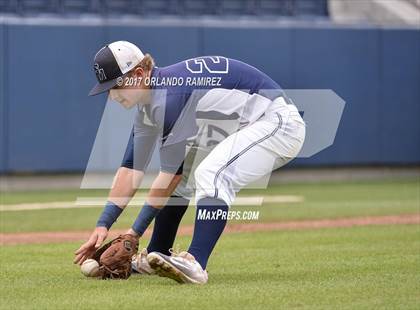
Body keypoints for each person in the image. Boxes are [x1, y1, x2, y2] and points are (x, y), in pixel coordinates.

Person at [74, 41, 305, 284]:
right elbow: (130, 170)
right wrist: (102, 225)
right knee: (186, 179)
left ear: (139, 74)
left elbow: (168, 178)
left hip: (278, 123)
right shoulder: (151, 104)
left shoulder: (169, 98)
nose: (112, 96)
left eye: (116, 85)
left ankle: (196, 263)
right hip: (253, 124)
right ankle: (156, 252)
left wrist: (133, 234)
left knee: (211, 173)